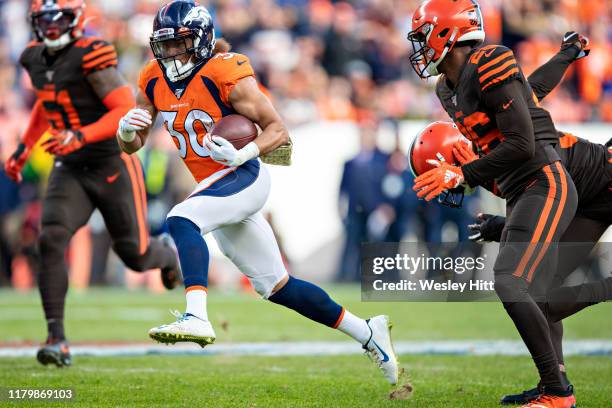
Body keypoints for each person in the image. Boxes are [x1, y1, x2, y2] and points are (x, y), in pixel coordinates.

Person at [116, 0, 398, 385]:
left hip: (243, 174)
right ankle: (368, 332)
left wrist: (244, 151)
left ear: (200, 40)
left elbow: (277, 129)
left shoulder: (223, 71)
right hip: (213, 186)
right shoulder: (152, 78)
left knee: (182, 218)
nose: (171, 53)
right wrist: (126, 132)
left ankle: (196, 314)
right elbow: (134, 145)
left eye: (180, 43)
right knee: (277, 286)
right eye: (164, 45)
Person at [407, 1, 585, 406]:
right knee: (534, 292)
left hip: (545, 180)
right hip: (521, 191)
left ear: (446, 32)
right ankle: (551, 386)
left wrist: (462, 174)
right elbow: (530, 91)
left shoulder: (490, 60)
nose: (418, 45)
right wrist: (565, 56)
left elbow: (523, 143)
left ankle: (558, 394)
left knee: (508, 280)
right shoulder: (445, 88)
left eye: (422, 35)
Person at [3, 0, 180, 367]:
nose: (52, 27)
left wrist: (80, 136)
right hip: (70, 164)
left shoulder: (92, 53)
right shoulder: (34, 57)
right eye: (44, 20)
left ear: (77, 19)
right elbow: (45, 102)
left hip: (110, 161)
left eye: (60, 18)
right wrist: (24, 146)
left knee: (136, 254)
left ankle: (166, 255)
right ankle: (57, 338)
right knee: (50, 239)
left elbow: (122, 109)